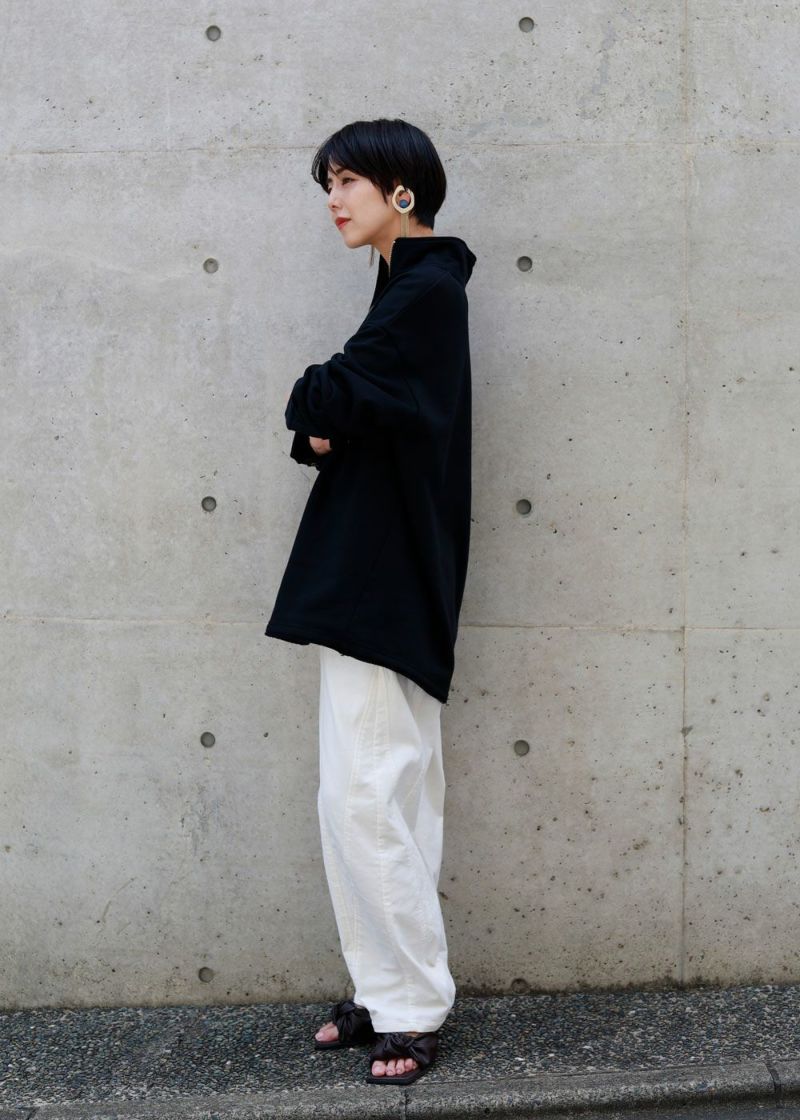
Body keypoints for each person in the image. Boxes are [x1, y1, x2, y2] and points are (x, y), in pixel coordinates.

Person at [264, 118, 477, 1086]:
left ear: (401, 190)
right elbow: (349, 407)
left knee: (367, 796)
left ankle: (410, 1005)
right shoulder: (406, 288)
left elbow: (328, 395)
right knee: (378, 794)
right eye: (328, 184)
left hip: (380, 581)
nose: (333, 200)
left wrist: (318, 412)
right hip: (384, 577)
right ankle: (383, 982)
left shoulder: (425, 290)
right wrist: (327, 418)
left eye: (347, 180)